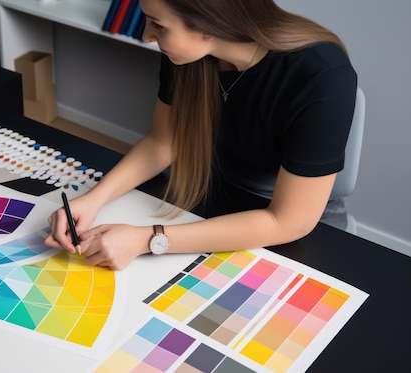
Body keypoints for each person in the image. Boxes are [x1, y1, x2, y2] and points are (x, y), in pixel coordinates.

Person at [45, 0, 357, 270]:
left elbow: (289, 221)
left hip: (291, 227)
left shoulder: (323, 77)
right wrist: (92, 200)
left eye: (158, 25)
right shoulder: (188, 56)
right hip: (214, 195)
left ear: (209, 23)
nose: (146, 36)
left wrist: (148, 239)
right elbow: (163, 142)